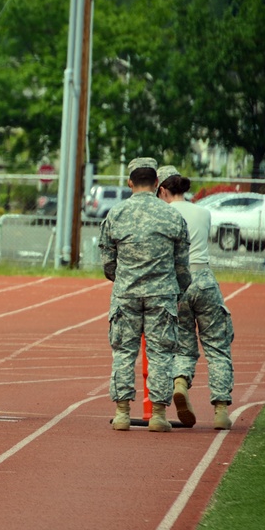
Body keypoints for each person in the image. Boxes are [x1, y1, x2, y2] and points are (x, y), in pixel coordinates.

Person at [99, 157, 192, 432]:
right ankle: (159, 416)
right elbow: (182, 265)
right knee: (161, 353)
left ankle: (122, 413)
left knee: (123, 352)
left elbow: (107, 261)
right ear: (155, 184)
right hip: (162, 294)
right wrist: (175, 289)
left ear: (130, 183)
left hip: (126, 294)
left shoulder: (115, 213)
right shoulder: (172, 215)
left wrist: (124, 279)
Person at [156, 165, 235, 429]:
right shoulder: (203, 212)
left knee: (183, 344)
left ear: (163, 190)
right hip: (204, 279)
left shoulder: (162, 214)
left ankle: (180, 383)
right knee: (217, 345)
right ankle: (221, 411)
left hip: (176, 284)